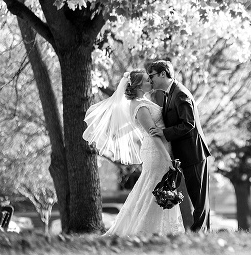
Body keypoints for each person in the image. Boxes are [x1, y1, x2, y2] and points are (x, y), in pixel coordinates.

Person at [82, 70, 183, 236]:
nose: (150, 82)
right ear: (137, 85)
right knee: (155, 187)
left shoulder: (144, 100)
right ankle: (144, 230)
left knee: (152, 187)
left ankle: (161, 229)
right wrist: (167, 157)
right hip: (156, 152)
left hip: (161, 149)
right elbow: (152, 132)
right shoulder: (139, 106)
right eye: (146, 80)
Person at [146, 60, 211, 232]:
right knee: (195, 195)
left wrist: (164, 133)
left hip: (193, 153)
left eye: (151, 75)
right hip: (186, 154)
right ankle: (202, 232)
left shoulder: (180, 94)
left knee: (198, 197)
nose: (149, 79)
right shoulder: (170, 93)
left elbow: (188, 124)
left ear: (162, 74)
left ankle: (200, 233)